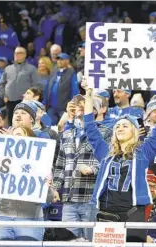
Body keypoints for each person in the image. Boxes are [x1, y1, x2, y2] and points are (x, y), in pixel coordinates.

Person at [84, 87, 156, 242]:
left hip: (134, 212)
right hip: (107, 211)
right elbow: (90, 128)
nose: (120, 128)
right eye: (117, 126)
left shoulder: (143, 152)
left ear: (134, 131)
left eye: (125, 126)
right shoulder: (106, 152)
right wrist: (88, 95)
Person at [52, 92, 112, 241]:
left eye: (83, 104)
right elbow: (60, 165)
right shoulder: (67, 134)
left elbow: (109, 161)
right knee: (68, 242)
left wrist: (93, 169)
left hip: (90, 198)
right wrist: (54, 187)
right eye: (76, 104)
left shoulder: (105, 132)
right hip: (69, 199)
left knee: (92, 242)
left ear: (95, 110)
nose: (78, 106)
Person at [0, 126, 54, 242]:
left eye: (19, 135)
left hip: (29, 219)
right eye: (13, 136)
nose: (14, 138)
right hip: (2, 219)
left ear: (30, 140)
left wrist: (47, 187)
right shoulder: (0, 161)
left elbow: (49, 198)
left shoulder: (41, 162)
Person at [0, 46, 38, 126]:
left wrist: (29, 97)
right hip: (9, 101)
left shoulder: (31, 69)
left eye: (19, 53)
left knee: (23, 124)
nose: (17, 55)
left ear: (25, 55)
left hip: (24, 102)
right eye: (15, 53)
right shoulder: (8, 68)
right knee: (11, 123)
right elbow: (1, 83)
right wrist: (3, 95)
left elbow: (35, 86)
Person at [43, 53, 79, 125]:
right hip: (51, 107)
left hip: (64, 108)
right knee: (48, 125)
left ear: (67, 61)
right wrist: (44, 103)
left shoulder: (71, 73)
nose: (59, 61)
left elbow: (74, 91)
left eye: (62, 59)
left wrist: (73, 105)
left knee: (63, 127)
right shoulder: (53, 72)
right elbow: (47, 88)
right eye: (58, 59)